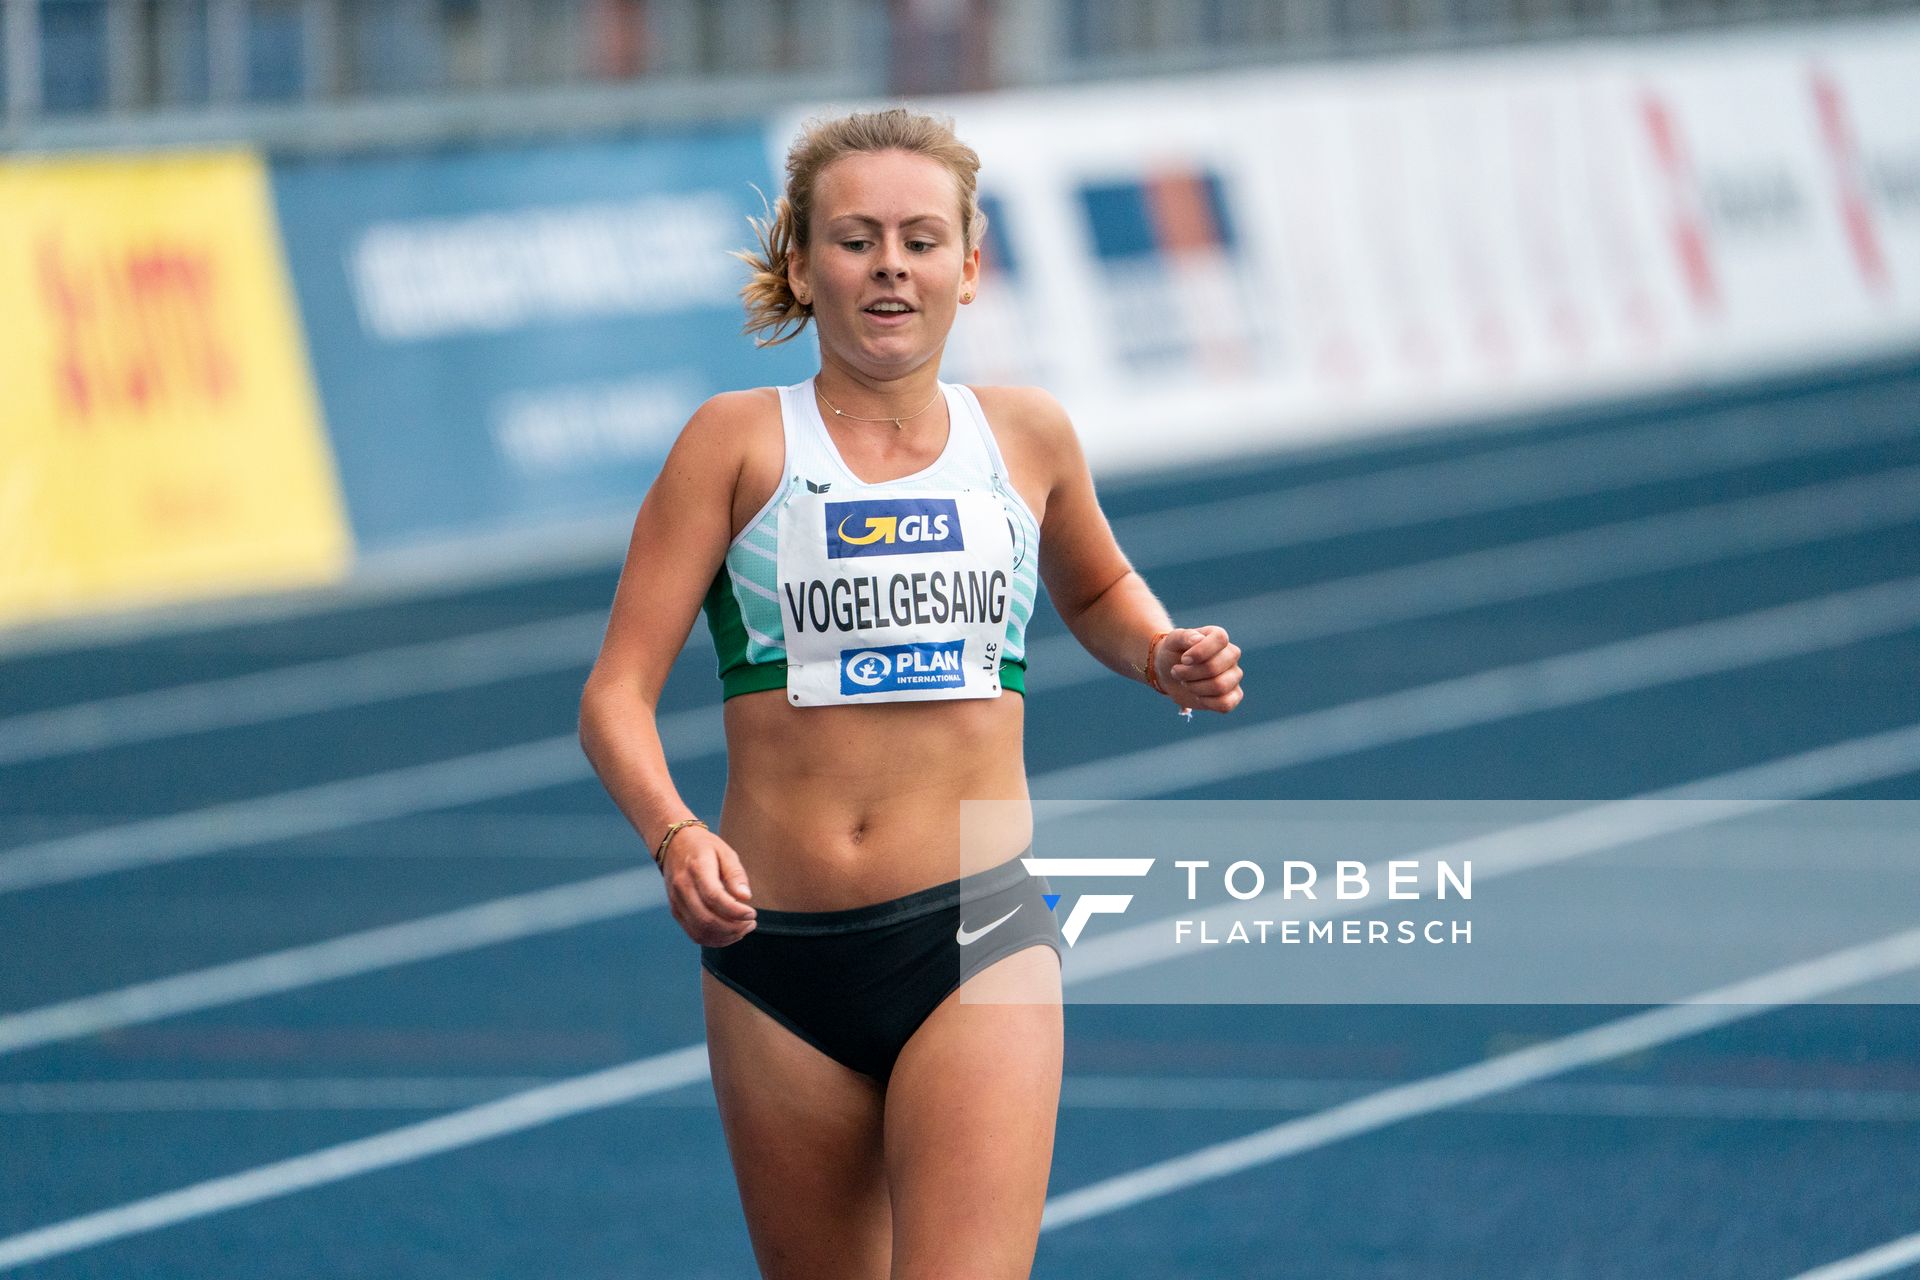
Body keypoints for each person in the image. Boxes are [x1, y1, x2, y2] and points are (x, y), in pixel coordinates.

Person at [578, 106, 1246, 1280]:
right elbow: (615, 696)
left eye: (922, 238)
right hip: (774, 956)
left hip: (973, 931)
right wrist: (674, 834)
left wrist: (1160, 652)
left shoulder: (1025, 434)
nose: (891, 262)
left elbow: (1097, 592)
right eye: (857, 237)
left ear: (970, 269)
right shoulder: (732, 446)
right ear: (801, 261)